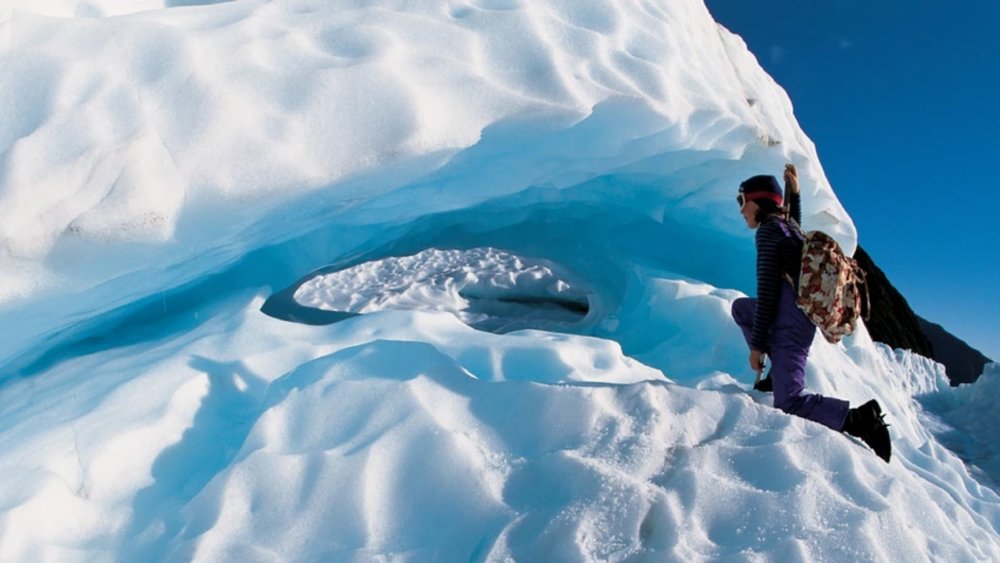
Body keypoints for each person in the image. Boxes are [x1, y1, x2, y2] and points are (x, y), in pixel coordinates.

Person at [731, 164, 891, 463]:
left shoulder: (768, 233)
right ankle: (777, 374)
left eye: (742, 201)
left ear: (758, 202)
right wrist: (794, 193)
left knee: (789, 401)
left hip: (789, 323)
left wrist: (756, 347)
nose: (741, 210)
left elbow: (767, 293)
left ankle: (860, 420)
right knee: (741, 308)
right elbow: (793, 221)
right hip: (793, 315)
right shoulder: (786, 228)